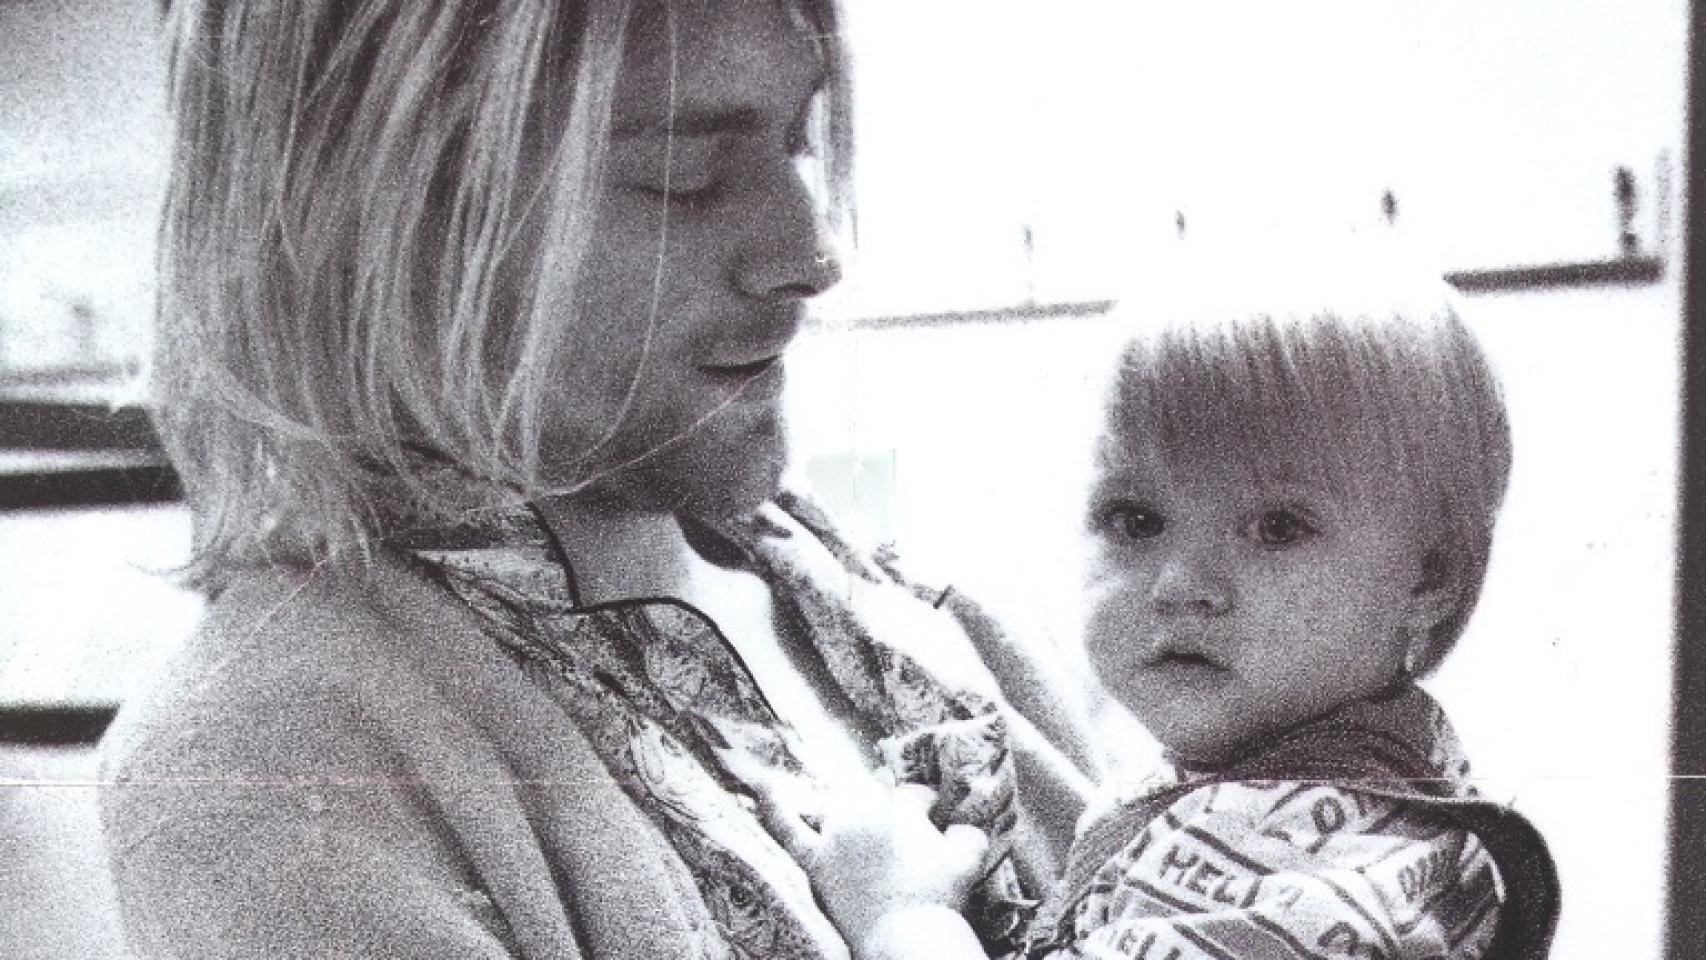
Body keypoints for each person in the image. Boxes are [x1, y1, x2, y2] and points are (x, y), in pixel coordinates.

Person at [101, 1, 1096, 957]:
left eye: (795, 137)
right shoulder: (267, 769)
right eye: (682, 175)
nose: (809, 255)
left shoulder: (913, 620)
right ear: (370, 223)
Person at [793, 291, 1562, 959]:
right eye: (1136, 519)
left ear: (1429, 577)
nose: (1180, 584)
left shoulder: (1297, 862)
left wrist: (905, 920)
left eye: (1277, 528)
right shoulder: (1316, 774)